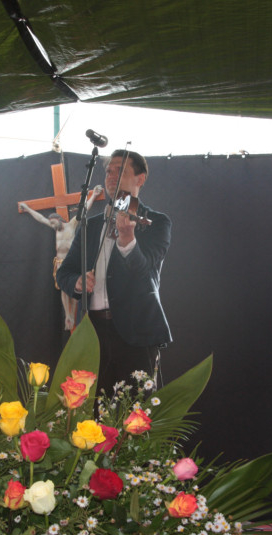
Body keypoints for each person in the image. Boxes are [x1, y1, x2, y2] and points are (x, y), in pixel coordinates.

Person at [56, 150, 172, 395]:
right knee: (93, 410)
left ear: (140, 178)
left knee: (136, 410)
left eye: (120, 170)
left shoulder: (157, 223)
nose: (111, 176)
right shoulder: (90, 225)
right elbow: (64, 273)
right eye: (109, 171)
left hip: (137, 332)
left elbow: (145, 271)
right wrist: (77, 282)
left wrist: (128, 239)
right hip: (93, 334)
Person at [19, 185, 103, 330]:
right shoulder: (56, 229)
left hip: (71, 262)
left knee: (74, 289)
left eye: (53, 222)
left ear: (59, 220)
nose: (52, 225)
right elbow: (40, 218)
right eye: (51, 224)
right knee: (64, 290)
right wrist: (27, 208)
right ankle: (68, 316)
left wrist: (94, 195)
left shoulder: (71, 225)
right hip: (59, 262)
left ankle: (74, 315)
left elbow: (83, 210)